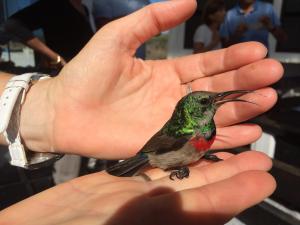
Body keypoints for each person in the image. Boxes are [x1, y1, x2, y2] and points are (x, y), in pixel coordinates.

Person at [0, 0, 283, 224]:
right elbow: (161, 151)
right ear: (195, 115)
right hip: (157, 153)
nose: (215, 103)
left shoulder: (205, 129)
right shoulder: (185, 132)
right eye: (208, 104)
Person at [2, 0, 94, 69]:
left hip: (84, 69)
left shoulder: (84, 8)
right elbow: (12, 25)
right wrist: (55, 58)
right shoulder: (54, 4)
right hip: (65, 73)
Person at [220, 0, 287, 49]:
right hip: (238, 61)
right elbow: (224, 47)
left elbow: (283, 39)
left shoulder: (267, 9)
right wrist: (236, 35)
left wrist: (271, 26)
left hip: (261, 59)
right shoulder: (229, 15)